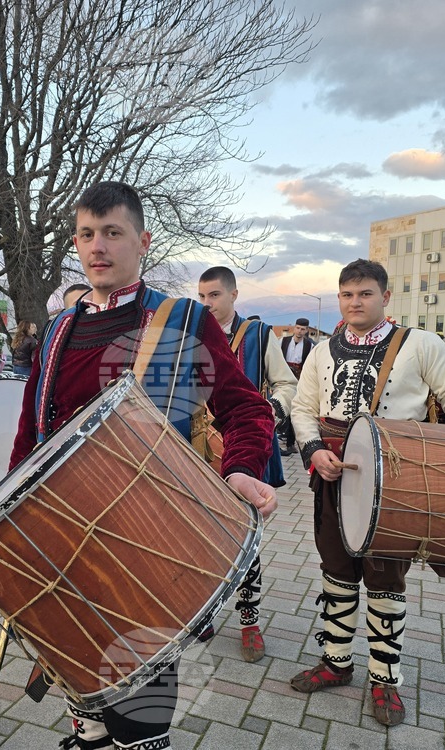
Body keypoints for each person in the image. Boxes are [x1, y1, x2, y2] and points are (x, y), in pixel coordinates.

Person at [10, 181, 277, 750]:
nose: (97, 247)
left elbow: (244, 408)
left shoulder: (182, 322)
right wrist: (9, 512)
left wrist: (239, 469)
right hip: (63, 539)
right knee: (82, 692)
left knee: (140, 713)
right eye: (86, 234)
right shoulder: (59, 329)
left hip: (147, 542)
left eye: (113, 233)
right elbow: (30, 429)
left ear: (143, 241)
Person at [287, 259, 445, 727]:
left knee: (385, 580)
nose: (354, 302)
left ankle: (385, 680)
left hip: (397, 479)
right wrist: (314, 449)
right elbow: (303, 408)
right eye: (346, 295)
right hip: (331, 474)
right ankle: (336, 664)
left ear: (385, 297)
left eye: (364, 294)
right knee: (336, 572)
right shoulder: (322, 351)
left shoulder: (421, 343)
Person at [197, 265, 297, 662]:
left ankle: (249, 621)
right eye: (202, 296)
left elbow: (287, 383)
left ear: (234, 294)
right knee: (201, 534)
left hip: (245, 448)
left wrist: (270, 410)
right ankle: (201, 612)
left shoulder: (258, 334)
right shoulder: (190, 333)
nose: (207, 303)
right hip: (200, 451)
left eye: (215, 295)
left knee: (248, 539)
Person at [278, 317, 314, 455]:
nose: (300, 331)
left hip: (299, 379)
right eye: (298, 328)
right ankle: (281, 439)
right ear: (294, 327)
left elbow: (309, 366)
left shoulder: (309, 346)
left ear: (306, 330)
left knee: (294, 409)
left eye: (303, 329)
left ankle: (290, 443)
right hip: (283, 377)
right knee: (282, 407)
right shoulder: (283, 341)